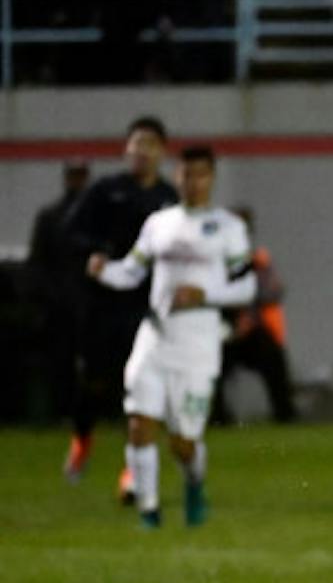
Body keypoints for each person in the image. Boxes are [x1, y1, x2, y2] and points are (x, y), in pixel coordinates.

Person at [87, 144, 256, 528]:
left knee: (183, 443)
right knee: (138, 422)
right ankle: (149, 510)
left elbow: (246, 287)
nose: (192, 182)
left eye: (200, 175)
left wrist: (205, 294)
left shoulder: (228, 227)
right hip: (156, 335)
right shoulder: (158, 223)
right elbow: (132, 272)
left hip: (198, 344)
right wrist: (104, 270)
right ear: (175, 176)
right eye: (185, 174)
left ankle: (194, 483)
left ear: (211, 178)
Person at [62, 115, 178, 495]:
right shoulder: (105, 191)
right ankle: (82, 441)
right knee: (92, 384)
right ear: (126, 148)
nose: (140, 151)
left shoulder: (167, 200)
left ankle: (132, 472)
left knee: (143, 388)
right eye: (135, 143)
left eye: (149, 143)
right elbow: (71, 233)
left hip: (145, 308)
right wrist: (92, 254)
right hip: (101, 304)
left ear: (161, 151)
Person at [214, 206, 297, 424]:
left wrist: (248, 318)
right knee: (210, 363)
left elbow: (274, 291)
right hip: (219, 328)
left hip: (250, 328)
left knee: (272, 355)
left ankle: (285, 413)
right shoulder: (212, 259)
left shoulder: (257, 259)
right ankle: (217, 417)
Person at [26, 159, 90, 419]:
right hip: (59, 305)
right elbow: (38, 262)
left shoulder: (96, 216)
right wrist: (51, 296)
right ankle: (62, 412)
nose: (77, 181)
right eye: (74, 175)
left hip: (90, 303)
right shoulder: (50, 216)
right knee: (60, 362)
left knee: (94, 363)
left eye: (81, 175)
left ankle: (89, 413)